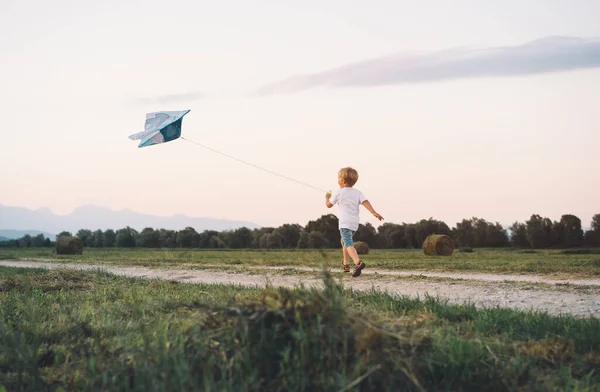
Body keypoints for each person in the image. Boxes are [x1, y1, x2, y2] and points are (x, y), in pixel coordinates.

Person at [325, 167, 383, 277]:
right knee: (344, 242)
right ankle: (346, 264)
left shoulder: (339, 192)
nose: (337, 180)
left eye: (338, 178)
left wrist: (327, 197)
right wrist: (374, 212)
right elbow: (366, 202)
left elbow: (328, 205)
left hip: (344, 223)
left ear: (342, 180)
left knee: (348, 243)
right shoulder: (357, 192)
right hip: (354, 223)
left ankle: (358, 262)